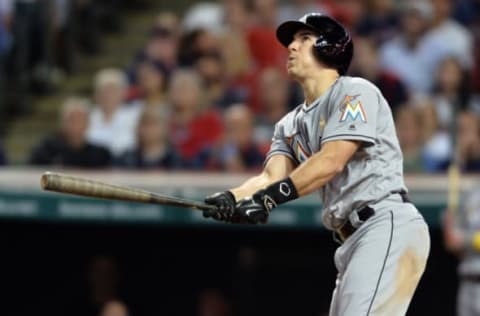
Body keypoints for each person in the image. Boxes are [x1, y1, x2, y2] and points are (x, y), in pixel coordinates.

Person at [202, 13, 430, 315]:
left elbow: (332, 159)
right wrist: (234, 197)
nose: (292, 47)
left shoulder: (354, 91)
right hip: (351, 239)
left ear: (330, 47)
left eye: (304, 39)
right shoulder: (289, 124)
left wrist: (269, 199)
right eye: (292, 41)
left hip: (383, 222)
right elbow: (271, 176)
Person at [29, 97, 111, 167]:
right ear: (63, 122)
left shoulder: (101, 155)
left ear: (88, 123)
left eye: (81, 120)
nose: (76, 125)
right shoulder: (47, 150)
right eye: (72, 120)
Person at [443, 184, 480, 316]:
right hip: (468, 281)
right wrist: (449, 226)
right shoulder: (472, 194)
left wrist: (467, 240)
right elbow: (452, 244)